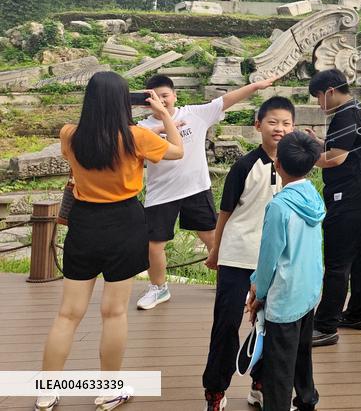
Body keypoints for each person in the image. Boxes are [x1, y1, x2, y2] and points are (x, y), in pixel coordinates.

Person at [35, 72, 184, 411]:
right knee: (114, 312)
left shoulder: (69, 135)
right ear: (124, 102)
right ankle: (107, 390)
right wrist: (163, 114)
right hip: (124, 222)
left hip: (85, 222)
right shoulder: (136, 137)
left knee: (68, 314)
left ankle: (46, 392)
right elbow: (178, 151)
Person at [136, 73, 277, 311]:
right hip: (162, 193)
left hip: (195, 188)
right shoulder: (142, 127)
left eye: (165, 96)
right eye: (155, 97)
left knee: (213, 238)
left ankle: (232, 285)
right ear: (146, 101)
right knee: (153, 244)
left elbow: (225, 100)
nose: (162, 101)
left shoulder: (193, 114)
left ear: (174, 95)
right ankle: (159, 288)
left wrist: (255, 86)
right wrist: (160, 124)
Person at [202, 97, 296, 411]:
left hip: (274, 260)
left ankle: (260, 384)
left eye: (286, 123)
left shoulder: (295, 167)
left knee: (270, 324)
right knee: (226, 324)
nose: (279, 129)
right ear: (258, 125)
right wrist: (215, 249)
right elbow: (226, 212)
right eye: (273, 122)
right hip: (237, 256)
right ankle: (215, 390)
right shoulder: (245, 165)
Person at [248, 131, 325, 411]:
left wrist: (258, 291)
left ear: (277, 164)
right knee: (302, 354)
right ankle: (307, 400)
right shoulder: (314, 197)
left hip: (284, 298)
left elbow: (268, 259)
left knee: (278, 370)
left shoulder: (279, 207)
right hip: (308, 290)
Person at [308, 68, 361, 347]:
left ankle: (325, 325)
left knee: (337, 261)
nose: (318, 104)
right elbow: (347, 149)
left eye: (318, 97)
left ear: (329, 91)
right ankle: (357, 313)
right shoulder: (359, 111)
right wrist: (318, 143)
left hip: (350, 198)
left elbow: (335, 159)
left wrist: (304, 155)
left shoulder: (344, 115)